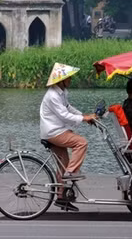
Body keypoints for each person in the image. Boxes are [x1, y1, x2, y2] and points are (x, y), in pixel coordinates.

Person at [40, 62, 96, 211]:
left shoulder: (62, 92)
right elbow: (64, 115)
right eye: (68, 78)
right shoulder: (52, 95)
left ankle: (61, 197)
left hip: (58, 130)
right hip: (54, 132)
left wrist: (84, 115)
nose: (71, 80)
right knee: (81, 142)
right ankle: (70, 174)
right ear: (61, 80)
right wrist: (84, 119)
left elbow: (68, 108)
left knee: (63, 164)